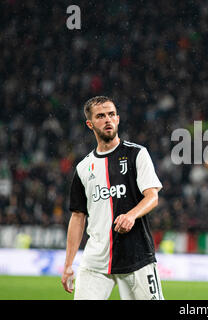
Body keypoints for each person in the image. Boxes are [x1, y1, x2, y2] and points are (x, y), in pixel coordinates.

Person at [61, 96, 164, 300]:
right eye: (101, 116)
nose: (108, 119)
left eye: (111, 114)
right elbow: (78, 216)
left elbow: (152, 196)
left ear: (118, 118)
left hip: (136, 256)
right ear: (90, 124)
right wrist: (68, 265)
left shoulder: (137, 154)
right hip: (95, 261)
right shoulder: (83, 168)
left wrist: (131, 215)